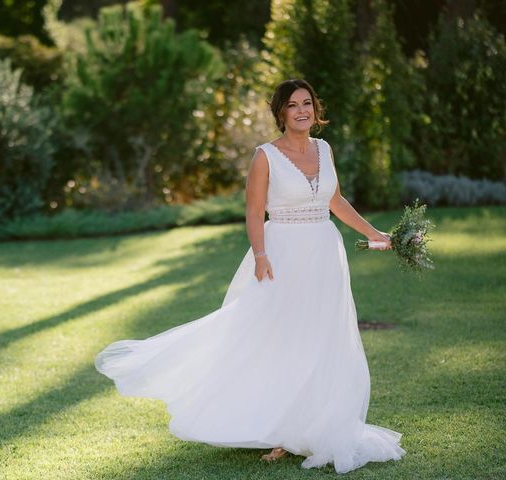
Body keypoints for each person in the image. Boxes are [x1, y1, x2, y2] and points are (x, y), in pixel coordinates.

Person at [94, 79, 407, 474]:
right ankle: (279, 432)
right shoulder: (265, 156)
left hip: (325, 255)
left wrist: (374, 233)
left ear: (315, 109)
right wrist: (260, 254)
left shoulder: (324, 149)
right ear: (281, 114)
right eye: (292, 105)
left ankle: (312, 422)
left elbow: (335, 200)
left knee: (321, 337)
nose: (301, 111)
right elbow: (254, 210)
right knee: (278, 339)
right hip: (281, 256)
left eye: (306, 103)